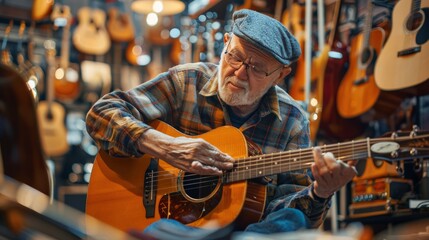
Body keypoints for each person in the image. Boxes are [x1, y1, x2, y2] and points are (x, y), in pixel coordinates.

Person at [86, 9, 356, 236]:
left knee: (292, 223)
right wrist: (165, 146)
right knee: (163, 229)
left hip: (248, 231)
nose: (239, 73)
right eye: (235, 56)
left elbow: (288, 211)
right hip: (176, 225)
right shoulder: (187, 82)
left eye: (257, 68)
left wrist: (320, 192)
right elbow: (102, 113)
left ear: (280, 74)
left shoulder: (293, 120)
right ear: (226, 42)